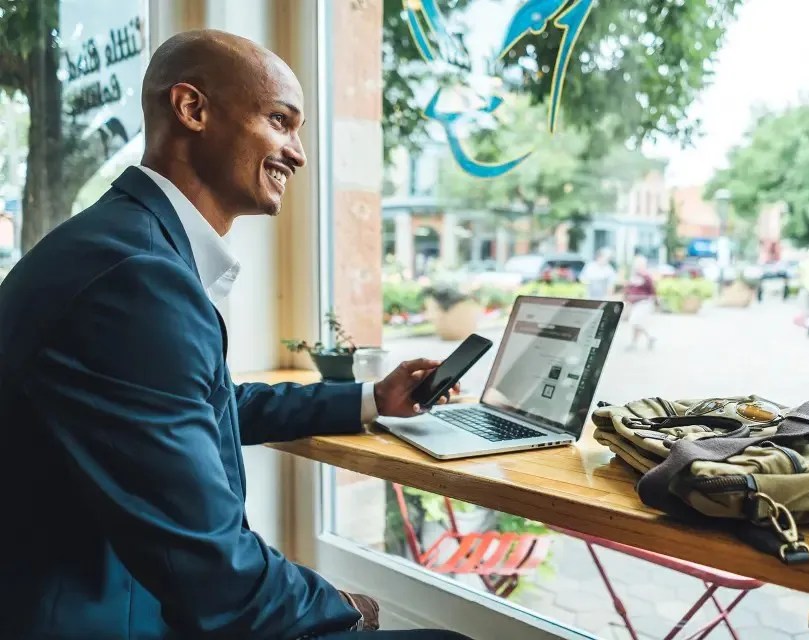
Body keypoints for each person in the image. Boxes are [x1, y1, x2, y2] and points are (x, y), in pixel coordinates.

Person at [0, 30, 468, 640]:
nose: (297, 154)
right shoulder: (136, 278)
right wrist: (340, 606)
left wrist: (372, 401)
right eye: (280, 121)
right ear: (191, 109)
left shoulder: (123, 245)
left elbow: (199, 403)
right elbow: (217, 579)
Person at [623, 254, 657, 350]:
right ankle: (635, 343)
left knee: (634, 321)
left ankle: (650, 336)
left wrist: (655, 300)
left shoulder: (646, 276)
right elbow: (629, 288)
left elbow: (652, 289)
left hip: (644, 302)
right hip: (635, 302)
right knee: (637, 323)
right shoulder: (634, 275)